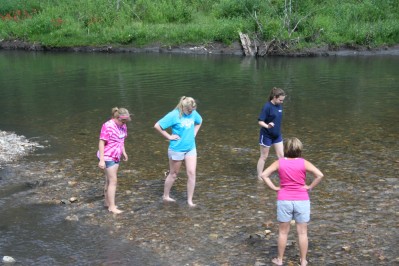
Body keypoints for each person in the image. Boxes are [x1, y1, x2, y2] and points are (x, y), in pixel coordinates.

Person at [261, 137, 324, 266]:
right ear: (299, 150)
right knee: (302, 232)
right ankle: (303, 261)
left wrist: (274, 188)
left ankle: (279, 260)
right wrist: (310, 186)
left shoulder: (280, 162)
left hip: (284, 199)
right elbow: (320, 175)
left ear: (285, 149)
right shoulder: (303, 162)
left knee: (283, 232)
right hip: (302, 199)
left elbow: (264, 175)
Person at [154, 96, 202, 207]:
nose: (191, 112)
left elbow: (199, 121)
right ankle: (166, 195)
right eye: (189, 110)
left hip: (191, 148)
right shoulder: (174, 115)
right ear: (183, 107)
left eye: (192, 110)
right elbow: (157, 126)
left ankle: (190, 201)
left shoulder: (193, 112)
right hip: (177, 149)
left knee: (191, 173)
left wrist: (194, 133)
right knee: (174, 174)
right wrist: (168, 136)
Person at [97, 107, 131, 214]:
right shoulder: (107, 126)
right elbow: (101, 142)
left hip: (116, 155)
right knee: (113, 181)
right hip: (107, 155)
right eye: (122, 121)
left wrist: (124, 152)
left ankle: (107, 203)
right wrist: (101, 160)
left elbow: (122, 140)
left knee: (109, 180)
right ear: (116, 118)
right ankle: (112, 207)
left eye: (126, 121)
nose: (124, 123)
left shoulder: (123, 125)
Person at [257, 87, 286, 180]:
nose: (282, 102)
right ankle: (259, 176)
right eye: (280, 100)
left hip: (277, 135)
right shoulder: (267, 107)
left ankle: (283, 175)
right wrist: (267, 126)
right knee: (264, 157)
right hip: (266, 135)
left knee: (281, 156)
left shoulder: (279, 105)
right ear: (275, 97)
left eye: (282, 100)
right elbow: (260, 121)